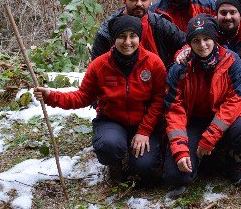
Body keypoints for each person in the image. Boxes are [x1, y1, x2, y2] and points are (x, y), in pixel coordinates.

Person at [34, 15, 166, 184]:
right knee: (109, 146)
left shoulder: (154, 63)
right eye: (121, 36)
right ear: (113, 39)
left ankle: (138, 158)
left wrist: (144, 131)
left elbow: (159, 100)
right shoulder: (99, 65)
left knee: (144, 166)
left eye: (132, 36)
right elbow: (82, 96)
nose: (127, 42)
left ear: (139, 37)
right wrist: (51, 96)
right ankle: (115, 164)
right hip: (112, 121)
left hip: (144, 122)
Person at [163, 15, 241, 187]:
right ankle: (205, 159)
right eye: (196, 40)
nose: (202, 45)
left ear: (215, 39)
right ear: (189, 43)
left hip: (224, 118)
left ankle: (232, 161)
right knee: (177, 177)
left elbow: (235, 101)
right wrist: (180, 150)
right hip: (193, 120)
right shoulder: (180, 68)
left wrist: (210, 137)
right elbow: (174, 110)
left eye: (207, 38)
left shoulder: (231, 61)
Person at [173, 0, 241, 121]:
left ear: (240, 15)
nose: (228, 17)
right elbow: (191, 44)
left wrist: (232, 97)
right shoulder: (209, 31)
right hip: (210, 94)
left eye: (232, 12)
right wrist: (182, 54)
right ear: (217, 14)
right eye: (223, 13)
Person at [91, 0, 186, 69]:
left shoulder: (159, 23)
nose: (139, 4)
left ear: (149, 1)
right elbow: (96, 63)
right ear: (125, 0)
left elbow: (186, 41)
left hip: (157, 77)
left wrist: (182, 53)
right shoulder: (109, 27)